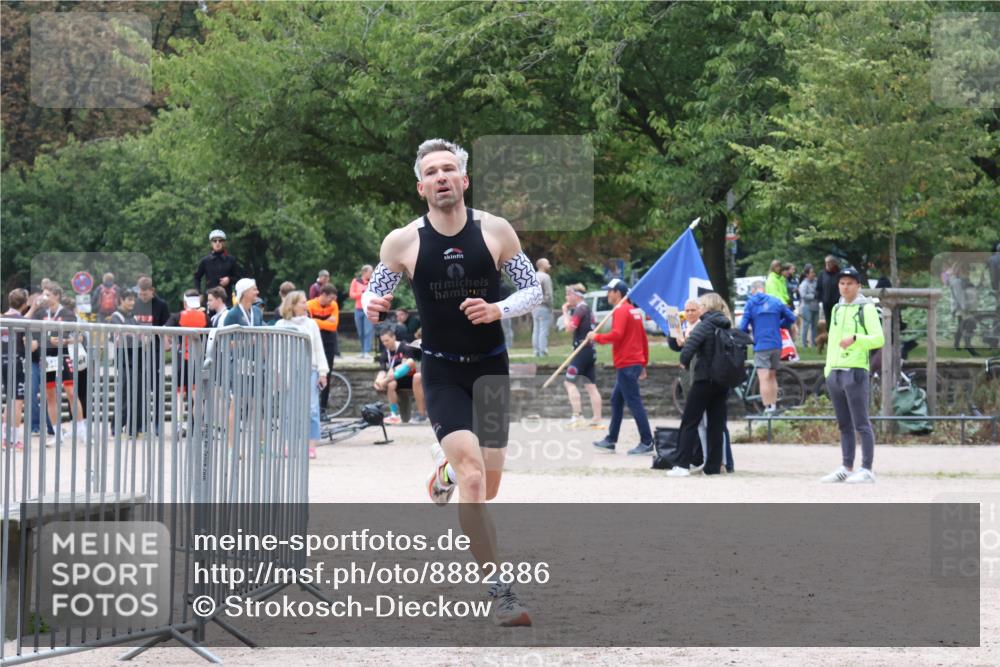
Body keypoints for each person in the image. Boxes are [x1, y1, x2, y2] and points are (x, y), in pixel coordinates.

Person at [363, 138, 542, 627]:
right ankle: (501, 592)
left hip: (489, 367)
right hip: (440, 369)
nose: (441, 177)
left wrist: (497, 309)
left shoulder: (496, 231)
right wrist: (369, 305)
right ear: (422, 187)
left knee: (491, 483)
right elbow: (373, 295)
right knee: (474, 479)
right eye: (432, 172)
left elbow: (533, 290)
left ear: (464, 180)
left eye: (449, 169)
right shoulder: (402, 241)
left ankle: (442, 474)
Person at [820, 267, 884, 484]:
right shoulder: (837, 309)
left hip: (855, 369)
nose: (845, 287)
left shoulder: (866, 308)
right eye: (842, 283)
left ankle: (867, 468)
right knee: (843, 423)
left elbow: (878, 339)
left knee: (861, 422)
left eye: (849, 283)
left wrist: (857, 338)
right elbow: (832, 339)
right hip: (835, 370)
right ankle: (847, 466)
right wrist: (828, 369)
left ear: (858, 286)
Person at [668, 292, 734, 477]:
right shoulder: (726, 324)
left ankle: (681, 465)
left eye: (702, 306)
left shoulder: (705, 325)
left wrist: (684, 361)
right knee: (716, 424)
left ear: (707, 308)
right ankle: (713, 467)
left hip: (703, 379)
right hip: (721, 381)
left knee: (689, 421)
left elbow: (687, 350)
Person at [588, 279, 652, 455]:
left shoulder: (622, 310)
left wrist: (596, 337)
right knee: (617, 400)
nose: (607, 294)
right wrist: (643, 363)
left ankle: (647, 442)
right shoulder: (634, 311)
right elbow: (643, 339)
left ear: (618, 293)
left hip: (627, 363)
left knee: (634, 402)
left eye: (609, 291)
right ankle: (610, 440)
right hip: (634, 362)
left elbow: (617, 335)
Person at [274, 290, 328, 459]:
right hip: (288, 371)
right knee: (288, 410)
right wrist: (277, 373)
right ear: (293, 305)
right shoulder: (280, 325)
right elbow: (276, 352)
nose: (306, 305)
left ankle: (311, 445)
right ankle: (288, 444)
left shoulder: (311, 324)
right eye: (303, 302)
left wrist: (323, 372)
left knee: (312, 408)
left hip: (309, 369)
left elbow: (318, 348)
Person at [30, 283, 86, 441]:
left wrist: (66, 340)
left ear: (56, 296)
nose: (44, 297)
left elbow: (79, 337)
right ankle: (56, 433)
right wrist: (48, 340)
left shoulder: (68, 313)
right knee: (50, 395)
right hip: (47, 357)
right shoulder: (40, 313)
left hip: (65, 355)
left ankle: (81, 430)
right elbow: (33, 335)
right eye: (43, 294)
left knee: (71, 393)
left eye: (47, 294)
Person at [739, 280, 797, 414]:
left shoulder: (751, 304)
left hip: (761, 345)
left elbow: (742, 327)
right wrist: (779, 323)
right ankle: (774, 407)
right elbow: (791, 318)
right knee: (772, 376)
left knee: (763, 378)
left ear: (754, 290)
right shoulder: (776, 301)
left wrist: (745, 334)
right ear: (763, 289)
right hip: (776, 344)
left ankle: (767, 408)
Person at [560, 283, 601, 428]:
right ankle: (597, 419)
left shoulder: (580, 309)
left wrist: (564, 312)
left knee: (569, 382)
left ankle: (577, 416)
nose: (567, 297)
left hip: (581, 351)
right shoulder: (587, 308)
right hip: (590, 350)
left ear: (576, 296)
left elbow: (569, 329)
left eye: (569, 294)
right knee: (590, 385)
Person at [134, 277, 171, 433]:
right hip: (138, 349)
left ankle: (157, 423)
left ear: (152, 291)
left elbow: (167, 326)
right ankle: (140, 423)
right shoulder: (135, 304)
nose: (143, 297)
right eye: (140, 294)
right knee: (139, 386)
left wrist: (165, 341)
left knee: (155, 387)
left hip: (155, 348)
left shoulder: (161, 305)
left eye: (145, 294)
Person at [373, 327, 426, 424]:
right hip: (395, 380)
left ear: (394, 337)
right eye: (383, 342)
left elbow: (407, 364)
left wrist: (390, 373)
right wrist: (378, 380)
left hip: (410, 377)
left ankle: (386, 381)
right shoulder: (384, 354)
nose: (385, 343)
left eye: (387, 340)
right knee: (391, 384)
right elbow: (382, 371)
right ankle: (394, 415)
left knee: (409, 362)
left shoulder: (405, 347)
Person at [2, 289, 32, 450]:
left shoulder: (3, 318)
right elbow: (29, 345)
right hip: (18, 362)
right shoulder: (23, 321)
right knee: (17, 402)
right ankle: (12, 439)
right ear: (25, 303)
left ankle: (4, 438)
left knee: (9, 400)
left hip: (4, 362)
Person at [307, 284, 340, 414]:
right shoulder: (310, 305)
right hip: (314, 340)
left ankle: (323, 409)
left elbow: (334, 326)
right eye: (330, 298)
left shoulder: (334, 305)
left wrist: (316, 321)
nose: (332, 301)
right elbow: (309, 324)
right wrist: (326, 321)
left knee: (327, 373)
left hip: (329, 342)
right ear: (323, 295)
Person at [193, 229, 240, 302]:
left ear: (224, 243)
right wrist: (198, 292)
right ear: (211, 243)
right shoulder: (205, 260)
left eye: (220, 241)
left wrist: (229, 280)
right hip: (210, 300)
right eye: (215, 241)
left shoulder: (231, 260)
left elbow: (238, 278)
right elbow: (197, 277)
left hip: (226, 300)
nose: (217, 243)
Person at [350, 264, 374, 359]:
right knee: (360, 332)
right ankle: (362, 351)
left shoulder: (373, 282)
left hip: (368, 309)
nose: (372, 273)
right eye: (370, 272)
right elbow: (352, 295)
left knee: (368, 331)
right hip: (358, 309)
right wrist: (363, 292)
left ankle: (367, 351)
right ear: (364, 272)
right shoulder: (355, 281)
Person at [532, 258, 554, 357]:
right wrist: (550, 307)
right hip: (544, 306)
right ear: (542, 265)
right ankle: (543, 351)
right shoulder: (546, 277)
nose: (549, 265)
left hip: (534, 306)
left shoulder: (533, 276)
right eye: (547, 263)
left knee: (536, 329)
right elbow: (548, 294)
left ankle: (535, 351)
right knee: (543, 330)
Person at [798, 264, 820, 348]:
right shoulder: (804, 284)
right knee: (806, 325)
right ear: (807, 274)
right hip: (806, 307)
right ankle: (804, 344)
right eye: (811, 272)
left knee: (815, 325)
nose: (813, 274)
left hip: (815, 306)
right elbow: (803, 295)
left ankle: (813, 343)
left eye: (814, 272)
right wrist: (813, 296)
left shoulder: (816, 282)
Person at [817, 255, 842, 326]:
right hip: (826, 303)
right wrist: (821, 300)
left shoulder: (839, 274)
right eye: (826, 263)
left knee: (837, 320)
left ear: (833, 263)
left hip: (837, 302)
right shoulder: (822, 274)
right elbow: (819, 288)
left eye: (829, 262)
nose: (827, 264)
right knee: (828, 322)